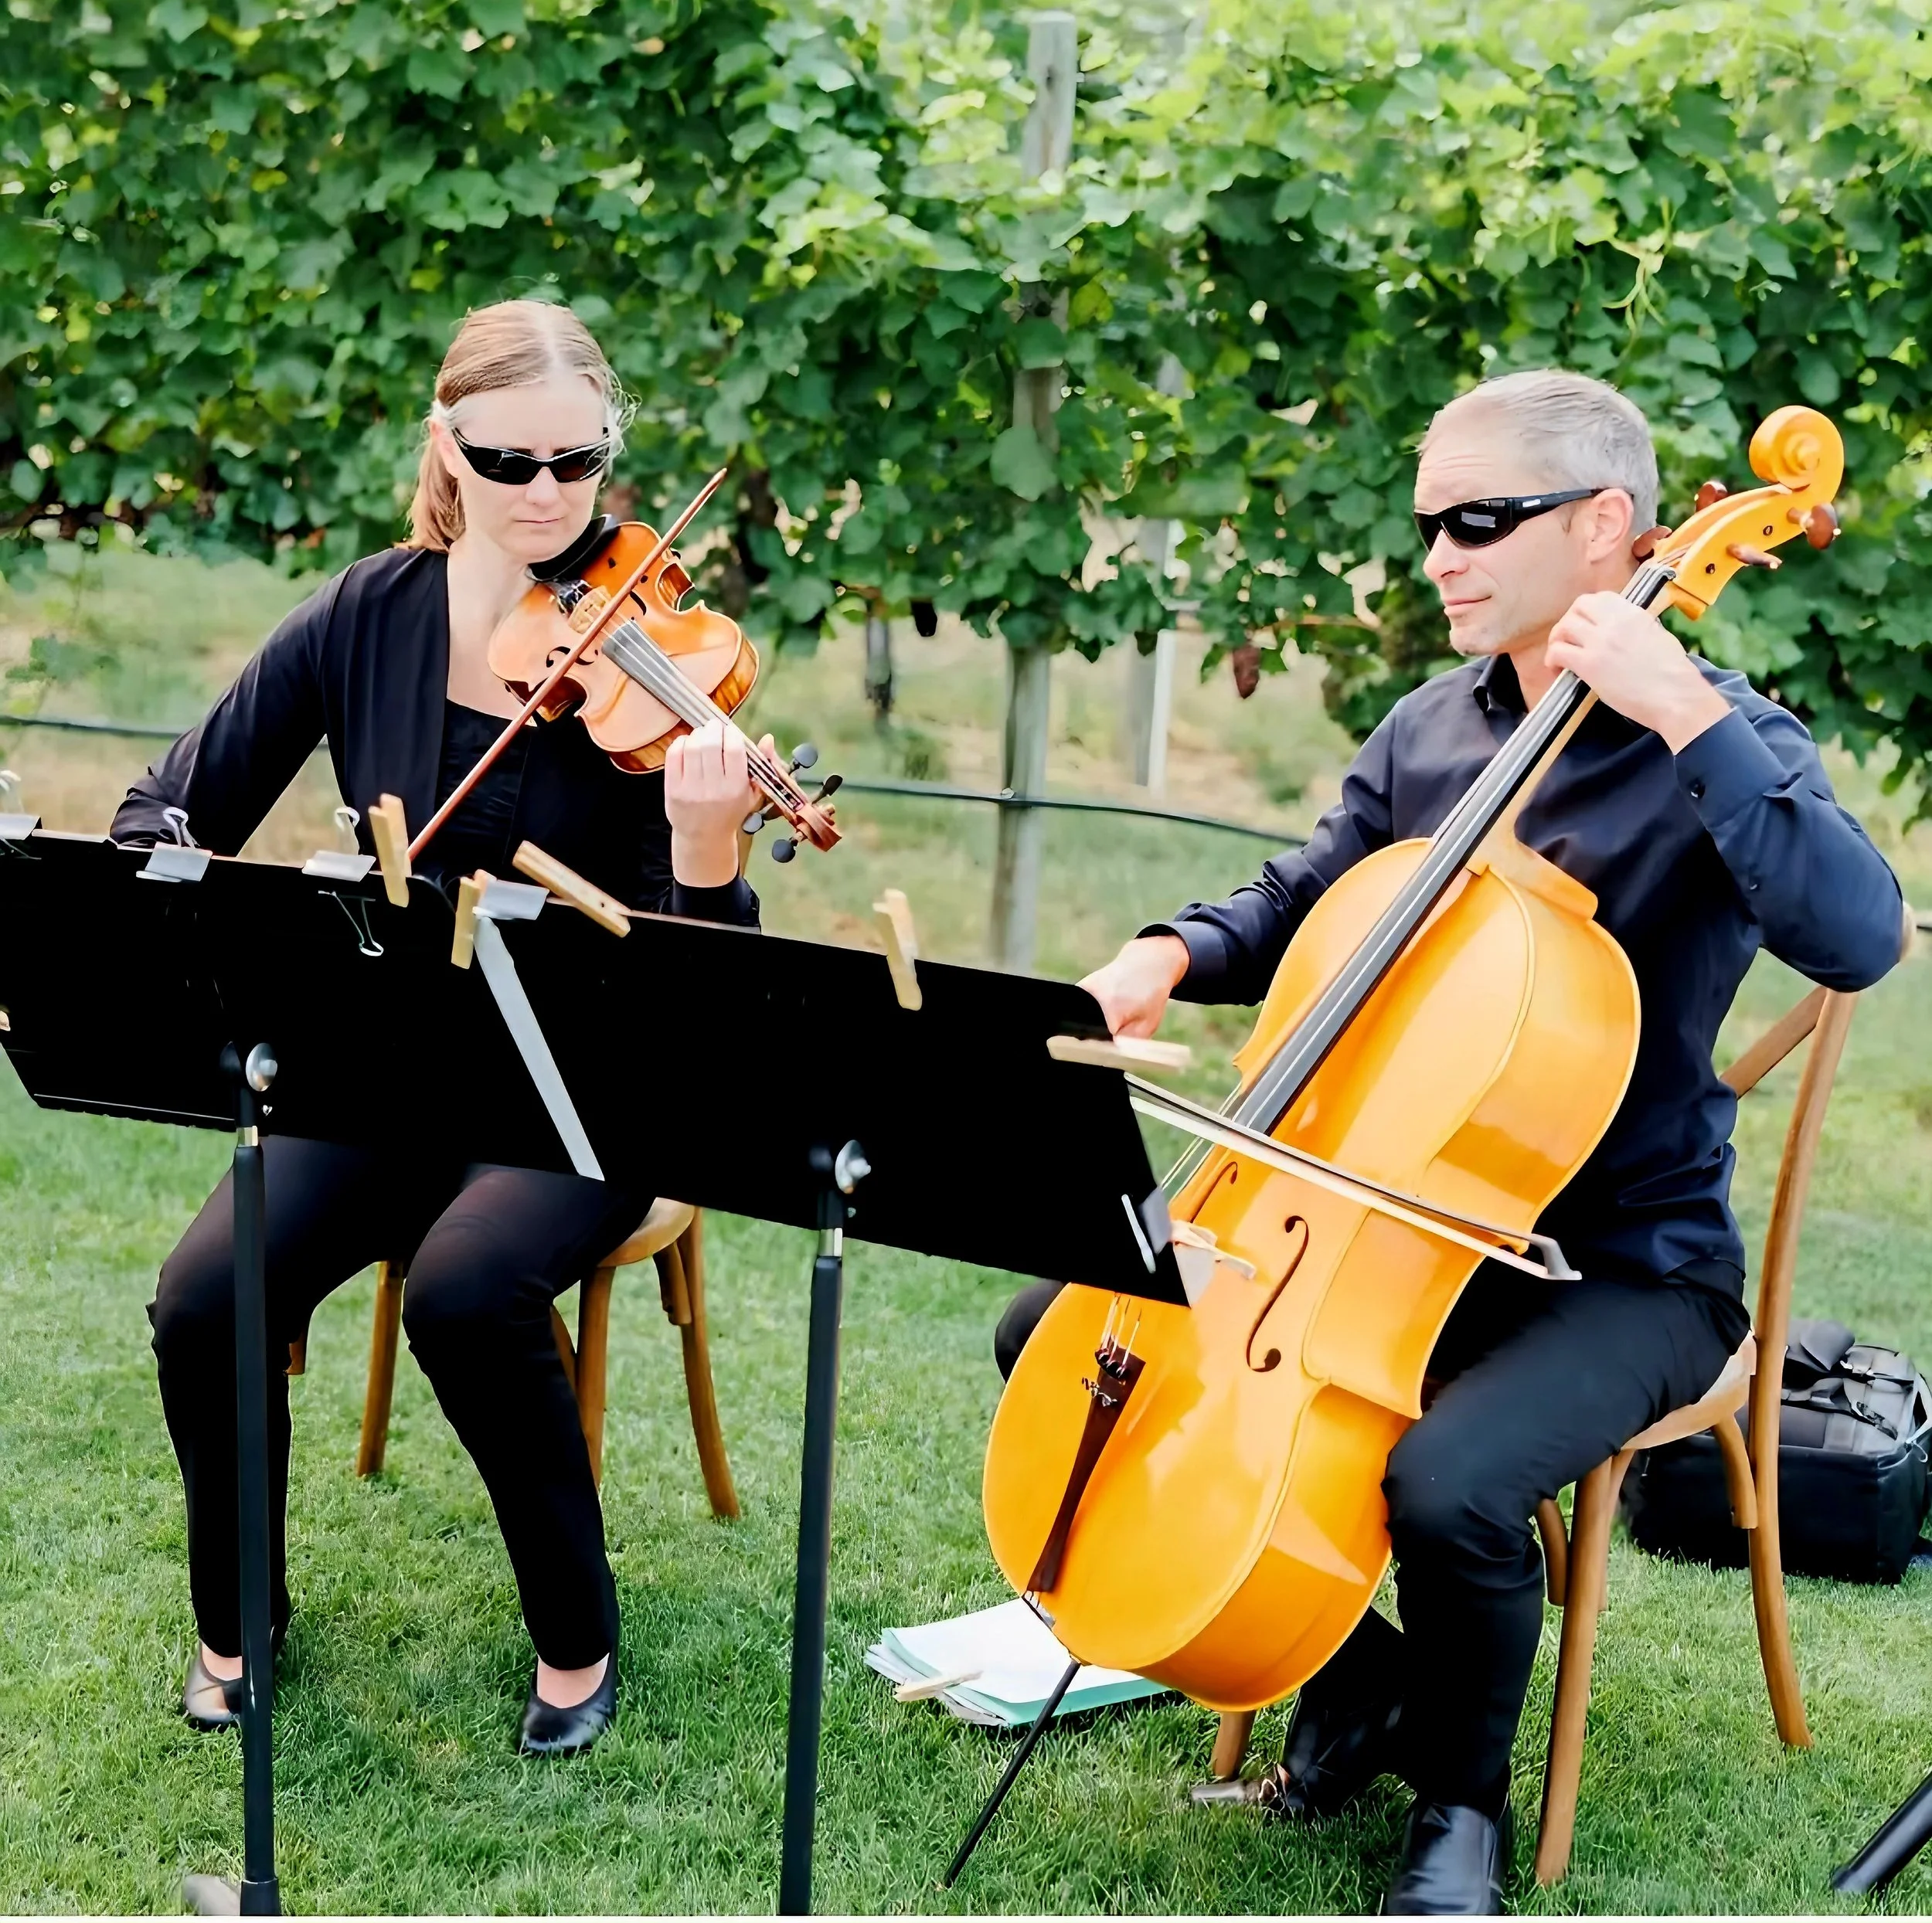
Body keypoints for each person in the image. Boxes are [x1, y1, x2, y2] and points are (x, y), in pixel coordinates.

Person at [992, 370, 1906, 1911]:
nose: (1439, 555)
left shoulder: (1721, 738)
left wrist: (1680, 704)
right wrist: (1161, 949)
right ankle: (1360, 1680)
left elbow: (1858, 934)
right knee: (1070, 1326)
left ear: (1606, 527)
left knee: (1450, 1483)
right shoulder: (1433, 726)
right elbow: (1302, 893)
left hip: (1619, 1269)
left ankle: (1457, 1808)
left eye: (1478, 520)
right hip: (1385, 1228)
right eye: (1429, 525)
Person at [114, 297, 770, 1758]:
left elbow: (714, 998)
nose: (547, 496)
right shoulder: (368, 615)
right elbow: (165, 810)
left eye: (578, 462)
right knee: (204, 1295)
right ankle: (240, 1620)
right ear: (447, 445)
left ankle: (578, 1639)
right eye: (509, 460)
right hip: (397, 1068)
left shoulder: (662, 665)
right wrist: (260, 905)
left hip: (594, 1083)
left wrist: (712, 852)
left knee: (466, 1288)